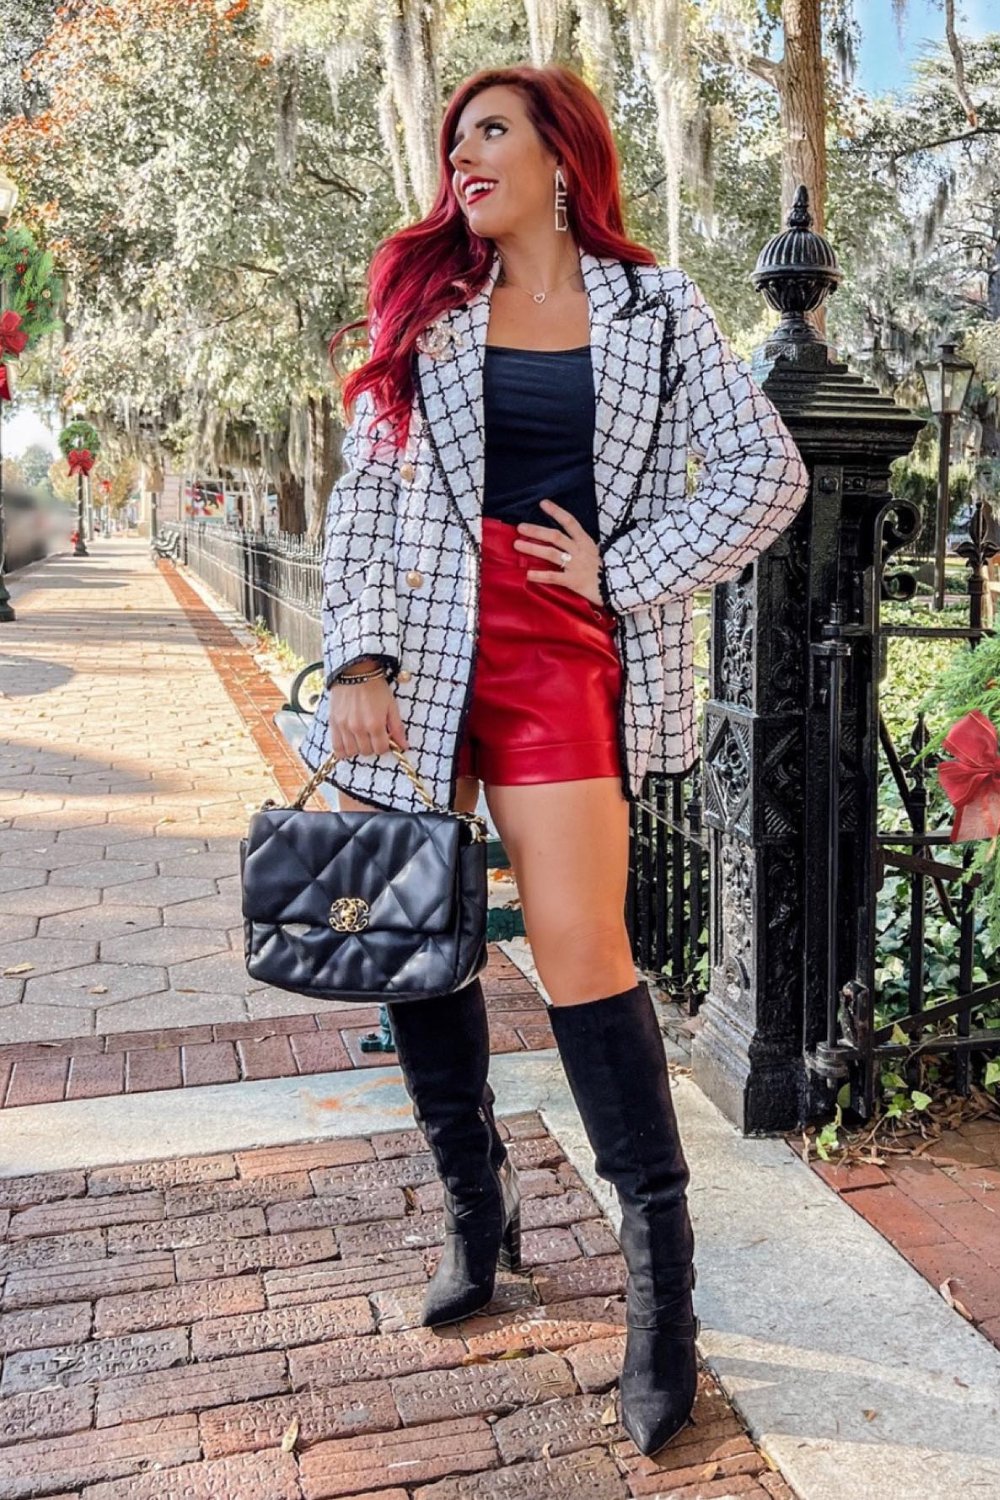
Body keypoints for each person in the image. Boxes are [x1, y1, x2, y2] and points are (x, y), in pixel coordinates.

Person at [299, 63, 809, 1456]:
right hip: (416, 650)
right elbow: (364, 498)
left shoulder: (656, 308)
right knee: (412, 931)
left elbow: (768, 475)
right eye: (452, 135)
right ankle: (480, 1213)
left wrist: (625, 570)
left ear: (559, 155)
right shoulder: (427, 305)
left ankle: (664, 1295)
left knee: (587, 949)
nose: (460, 155)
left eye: (489, 132)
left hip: (561, 653)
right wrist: (354, 659)